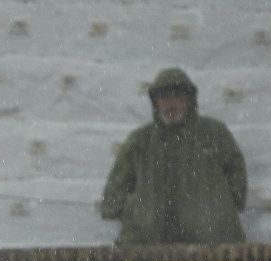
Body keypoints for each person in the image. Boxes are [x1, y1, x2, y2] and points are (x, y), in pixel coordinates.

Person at [100, 68, 247, 246]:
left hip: (211, 244)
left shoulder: (214, 134)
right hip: (149, 247)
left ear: (189, 100)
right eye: (164, 98)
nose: (171, 104)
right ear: (155, 103)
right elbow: (115, 191)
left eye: (178, 97)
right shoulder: (140, 141)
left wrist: (219, 209)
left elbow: (236, 172)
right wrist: (138, 214)